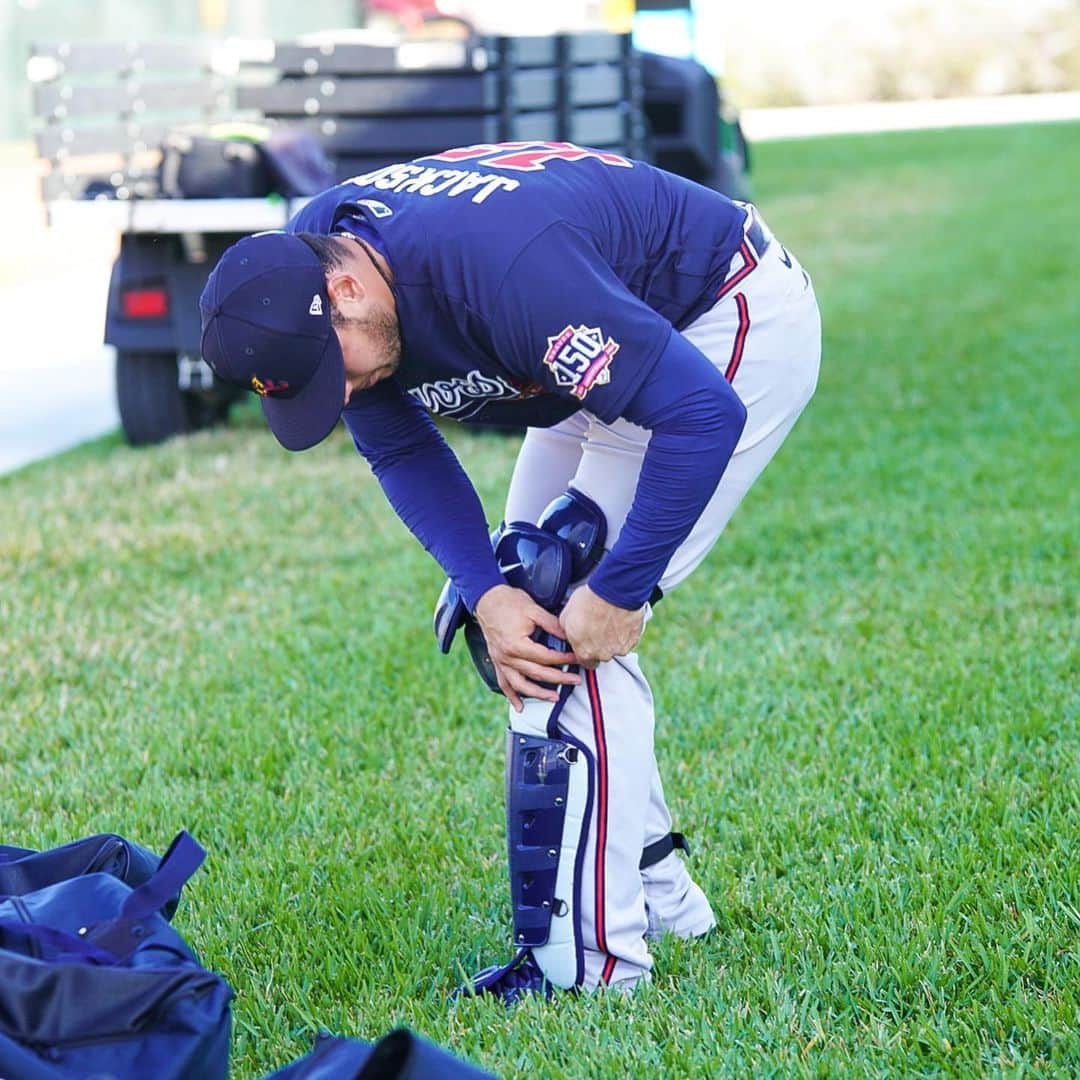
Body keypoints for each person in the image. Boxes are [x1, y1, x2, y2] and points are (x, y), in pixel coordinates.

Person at [199, 141, 821, 1002]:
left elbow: (698, 413)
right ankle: (667, 900)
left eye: (323, 372)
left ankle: (596, 970)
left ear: (346, 292)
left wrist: (621, 586)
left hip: (719, 320)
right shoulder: (316, 259)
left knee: (567, 609)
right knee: (520, 621)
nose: (334, 398)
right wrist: (486, 591)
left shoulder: (498, 267)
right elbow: (398, 443)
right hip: (586, 338)